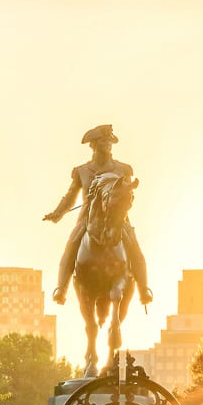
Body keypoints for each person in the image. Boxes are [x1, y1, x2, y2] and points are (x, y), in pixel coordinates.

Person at [43, 124, 153, 305]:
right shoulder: (82, 171)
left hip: (117, 218)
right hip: (88, 219)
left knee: (135, 247)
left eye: (110, 141)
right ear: (93, 144)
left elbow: (128, 195)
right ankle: (61, 289)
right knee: (71, 246)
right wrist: (57, 213)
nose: (108, 144)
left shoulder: (123, 169)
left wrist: (123, 204)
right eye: (104, 141)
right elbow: (70, 197)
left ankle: (143, 289)